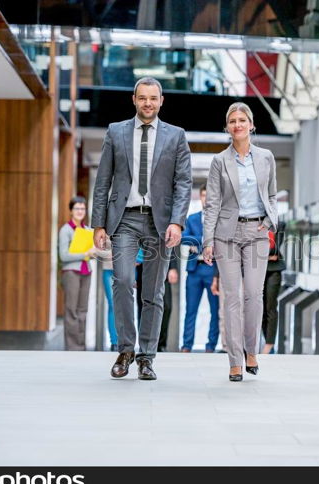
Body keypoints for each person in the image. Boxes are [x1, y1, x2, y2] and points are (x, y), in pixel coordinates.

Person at [92, 76, 192, 381]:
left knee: (153, 292)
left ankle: (147, 357)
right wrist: (98, 224)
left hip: (160, 222)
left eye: (153, 98)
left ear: (161, 101)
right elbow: (103, 181)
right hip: (124, 218)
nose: (148, 103)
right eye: (142, 98)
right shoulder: (116, 132)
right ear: (134, 100)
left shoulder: (176, 136)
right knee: (122, 280)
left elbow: (183, 184)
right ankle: (125, 349)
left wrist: (177, 220)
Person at [202, 102, 278, 381]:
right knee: (232, 297)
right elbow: (212, 204)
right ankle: (235, 360)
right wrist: (207, 240)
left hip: (257, 232)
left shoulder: (266, 157)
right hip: (227, 234)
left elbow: (271, 195)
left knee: (254, 296)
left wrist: (270, 223)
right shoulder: (220, 161)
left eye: (242, 120)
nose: (237, 125)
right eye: (232, 121)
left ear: (251, 124)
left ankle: (251, 351)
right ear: (227, 128)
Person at [180, 184, 220, 353]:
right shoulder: (192, 218)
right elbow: (183, 237)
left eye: (209, 196)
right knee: (190, 310)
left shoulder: (221, 220)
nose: (206, 199)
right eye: (203, 195)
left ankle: (211, 346)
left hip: (213, 270)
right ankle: (187, 345)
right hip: (194, 270)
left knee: (215, 311)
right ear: (200, 198)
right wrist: (205, 240)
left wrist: (198, 242)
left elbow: (221, 241)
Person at [58, 196, 96, 351]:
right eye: (77, 208)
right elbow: (63, 255)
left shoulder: (87, 230)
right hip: (71, 272)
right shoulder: (65, 230)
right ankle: (73, 347)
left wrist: (93, 253)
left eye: (82, 208)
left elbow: (90, 252)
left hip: (86, 271)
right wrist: (85, 253)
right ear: (71, 211)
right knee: (72, 310)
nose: (80, 211)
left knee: (82, 310)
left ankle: (81, 345)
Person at [136, 247, 180, 352]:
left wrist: (172, 267)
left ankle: (160, 344)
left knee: (167, 306)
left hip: (162, 265)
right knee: (143, 306)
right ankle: (145, 343)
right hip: (142, 266)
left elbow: (170, 243)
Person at [261, 221, 286, 354]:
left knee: (270, 306)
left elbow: (275, 250)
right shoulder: (254, 223)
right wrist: (267, 255)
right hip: (257, 269)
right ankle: (267, 341)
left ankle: (269, 345)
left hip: (274, 270)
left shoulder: (279, 224)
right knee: (260, 308)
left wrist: (260, 252)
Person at [93, 237, 118, 351]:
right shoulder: (103, 229)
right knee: (113, 304)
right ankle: (114, 341)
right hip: (108, 270)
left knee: (125, 305)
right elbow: (95, 249)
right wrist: (112, 254)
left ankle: (125, 339)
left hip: (126, 270)